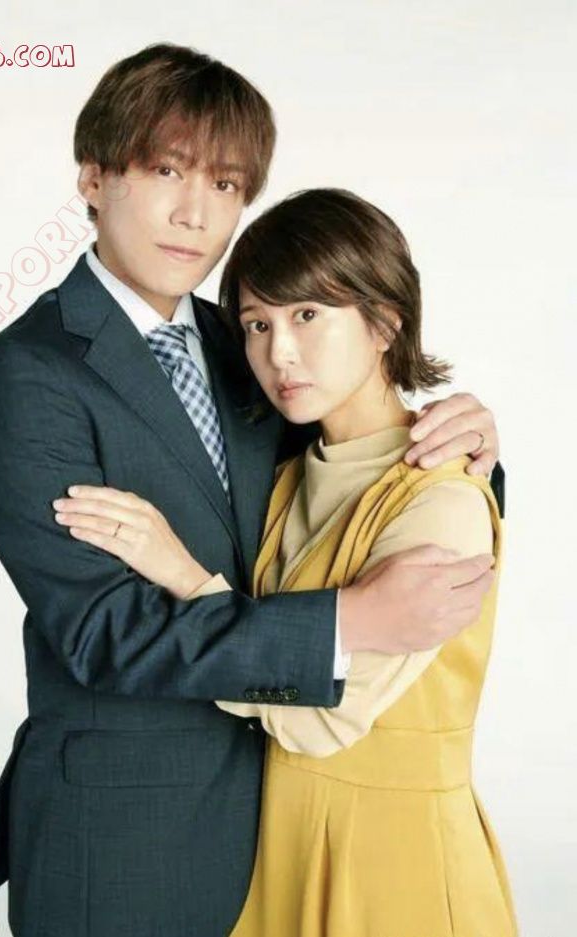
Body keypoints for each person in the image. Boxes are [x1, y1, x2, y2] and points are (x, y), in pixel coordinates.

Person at [0, 43, 503, 937]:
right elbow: (103, 631)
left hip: (284, 829)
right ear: (92, 177)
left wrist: (463, 448)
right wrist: (347, 623)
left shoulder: (247, 339)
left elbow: (347, 467)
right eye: (166, 171)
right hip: (125, 837)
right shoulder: (26, 373)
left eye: (225, 183)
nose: (195, 213)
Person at [55, 187, 517, 937]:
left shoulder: (442, 498)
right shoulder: (288, 476)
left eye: (308, 315)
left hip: (393, 863)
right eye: (257, 324)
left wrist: (184, 575)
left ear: (385, 322)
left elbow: (321, 724)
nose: (279, 352)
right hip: (277, 851)